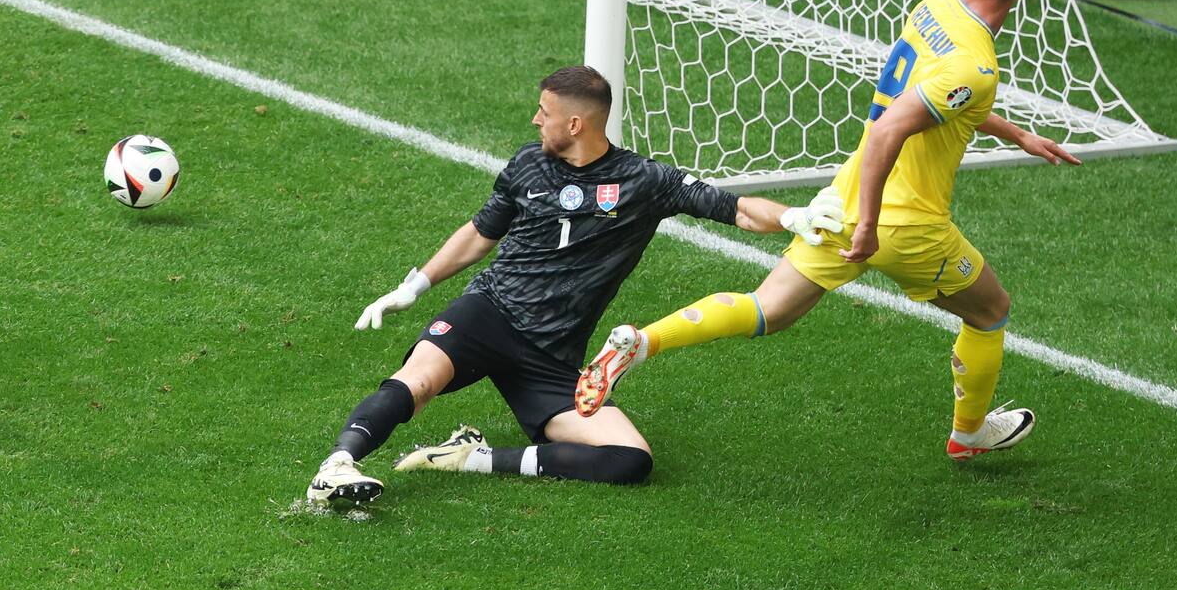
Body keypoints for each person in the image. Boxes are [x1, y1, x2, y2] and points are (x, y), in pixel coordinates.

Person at [575, 0, 1082, 462]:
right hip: (905, 223)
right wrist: (869, 226)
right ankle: (969, 434)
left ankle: (642, 341)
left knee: (768, 309)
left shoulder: (935, 9)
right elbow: (894, 129)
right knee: (990, 311)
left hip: (842, 197)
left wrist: (1017, 133)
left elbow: (938, 100)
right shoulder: (976, 66)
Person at [306, 66, 842, 503]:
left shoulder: (644, 182)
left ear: (578, 124)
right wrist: (414, 285)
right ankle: (337, 466)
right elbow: (480, 233)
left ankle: (471, 459)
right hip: (488, 314)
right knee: (418, 382)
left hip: (552, 357)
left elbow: (740, 211)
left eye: (546, 113)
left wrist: (793, 216)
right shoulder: (526, 164)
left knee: (629, 460)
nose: (536, 119)